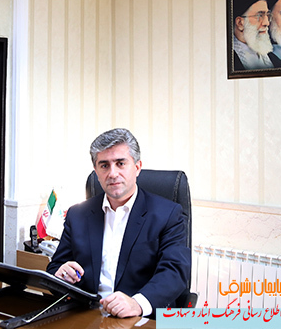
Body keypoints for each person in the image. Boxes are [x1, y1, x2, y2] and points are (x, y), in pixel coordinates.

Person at [46, 128, 191, 318]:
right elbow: (55, 268)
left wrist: (137, 304)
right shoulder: (78, 214)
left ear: (137, 167)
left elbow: (175, 273)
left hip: (140, 318)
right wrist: (60, 274)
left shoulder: (168, 214)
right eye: (104, 165)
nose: (112, 173)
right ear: (96, 172)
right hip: (86, 315)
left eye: (120, 163)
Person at [232, 0, 281, 70]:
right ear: (240, 23)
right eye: (259, 15)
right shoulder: (226, 59)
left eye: (267, 15)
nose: (266, 23)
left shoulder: (275, 61)